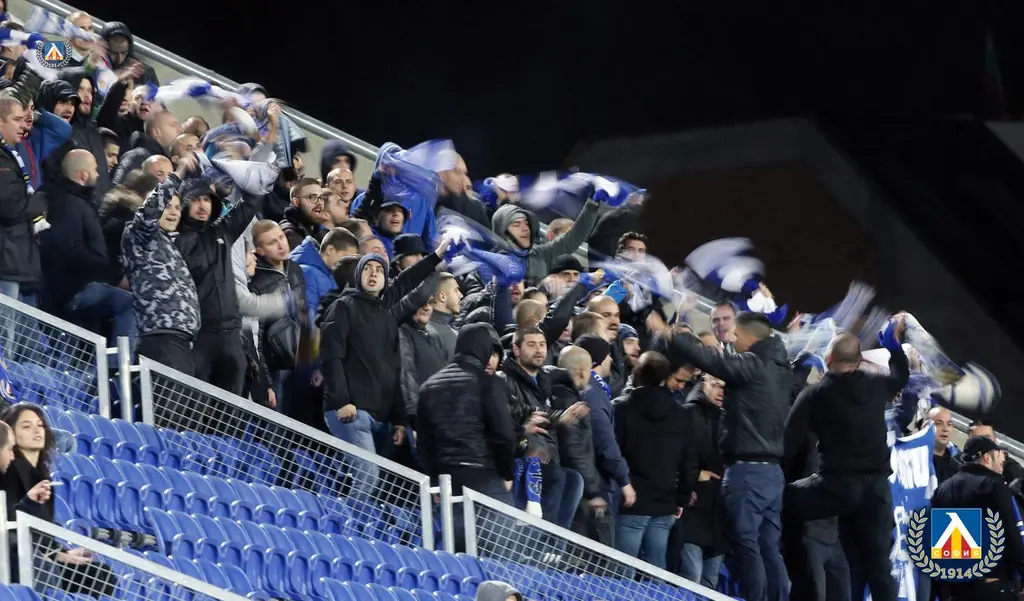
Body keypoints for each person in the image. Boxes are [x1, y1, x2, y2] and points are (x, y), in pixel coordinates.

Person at [647, 311, 791, 601]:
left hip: (747, 472)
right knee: (768, 547)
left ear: (750, 338)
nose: (733, 339)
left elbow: (712, 362)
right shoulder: (781, 370)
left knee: (748, 545)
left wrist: (670, 333)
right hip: (773, 474)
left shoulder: (752, 364)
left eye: (737, 334)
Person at [781, 321, 910, 601]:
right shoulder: (876, 385)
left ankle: (800, 586)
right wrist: (894, 347)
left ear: (828, 359)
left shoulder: (816, 393)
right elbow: (900, 377)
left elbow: (788, 444)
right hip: (876, 493)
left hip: (836, 488)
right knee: (879, 568)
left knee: (787, 500)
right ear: (859, 360)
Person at [1, 403, 116, 597]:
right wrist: (56, 555)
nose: (37, 430)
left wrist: (62, 552)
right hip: (24, 559)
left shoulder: (38, 475)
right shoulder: (11, 472)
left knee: (100, 574)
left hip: (38, 555)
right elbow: (11, 523)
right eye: (27, 426)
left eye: (40, 425)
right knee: (94, 576)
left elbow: (41, 528)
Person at [612, 351, 688, 570]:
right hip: (665, 502)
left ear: (637, 374)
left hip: (631, 501)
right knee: (656, 572)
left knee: (621, 573)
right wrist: (681, 498)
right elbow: (688, 459)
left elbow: (612, 452)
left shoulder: (621, 408)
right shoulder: (681, 414)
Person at [932, 435, 1024, 601]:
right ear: (988, 457)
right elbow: (1012, 534)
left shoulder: (943, 489)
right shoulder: (993, 485)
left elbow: (939, 545)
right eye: (999, 455)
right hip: (994, 586)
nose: (1002, 460)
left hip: (955, 590)